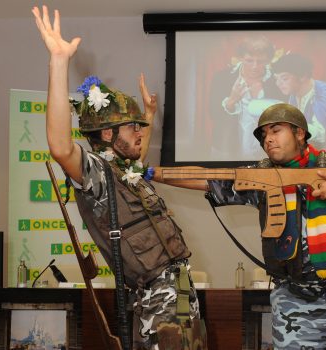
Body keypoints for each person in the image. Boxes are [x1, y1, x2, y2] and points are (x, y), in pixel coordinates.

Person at [155, 103, 326, 349]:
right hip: (295, 299)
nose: (268, 140)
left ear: (299, 133)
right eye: (264, 135)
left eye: (276, 130)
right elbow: (205, 179)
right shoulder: (260, 179)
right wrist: (149, 173)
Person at [32, 6, 206, 350]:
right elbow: (60, 147)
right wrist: (58, 61)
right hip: (158, 298)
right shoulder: (97, 174)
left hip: (179, 290)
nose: (140, 133)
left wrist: (148, 116)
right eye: (132, 127)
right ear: (108, 136)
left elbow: (136, 155)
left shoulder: (124, 169)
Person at [209, 35, 284, 160]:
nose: (254, 66)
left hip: (266, 151)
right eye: (249, 60)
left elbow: (285, 118)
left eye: (260, 61)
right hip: (226, 148)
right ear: (240, 58)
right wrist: (232, 100)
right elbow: (213, 114)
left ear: (268, 60)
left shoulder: (278, 81)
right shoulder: (222, 77)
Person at [272, 53, 326, 150]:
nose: (278, 83)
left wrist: (287, 122)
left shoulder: (325, 97)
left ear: (302, 76)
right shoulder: (294, 93)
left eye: (284, 78)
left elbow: (323, 136)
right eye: (276, 79)